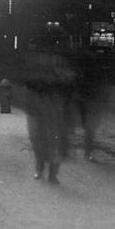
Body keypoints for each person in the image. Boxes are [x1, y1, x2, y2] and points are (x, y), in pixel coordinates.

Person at [17, 36, 77, 183]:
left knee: (51, 140)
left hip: (54, 106)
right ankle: (43, 168)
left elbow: (69, 81)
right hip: (41, 105)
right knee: (40, 139)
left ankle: (49, 171)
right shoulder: (35, 63)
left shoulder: (58, 63)